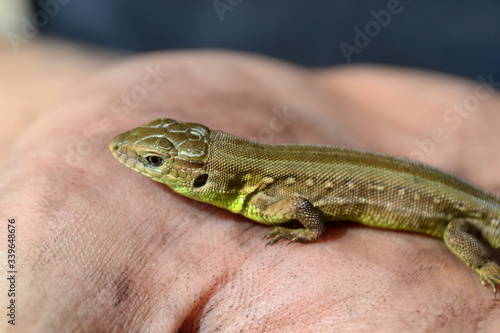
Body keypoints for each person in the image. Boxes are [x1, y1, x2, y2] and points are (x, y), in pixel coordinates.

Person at [2, 50, 500, 331]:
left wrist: (307, 234)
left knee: (463, 238)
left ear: (202, 175)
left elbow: (306, 208)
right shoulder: (244, 176)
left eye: (153, 162)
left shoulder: (264, 199)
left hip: (462, 214)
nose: (134, 159)